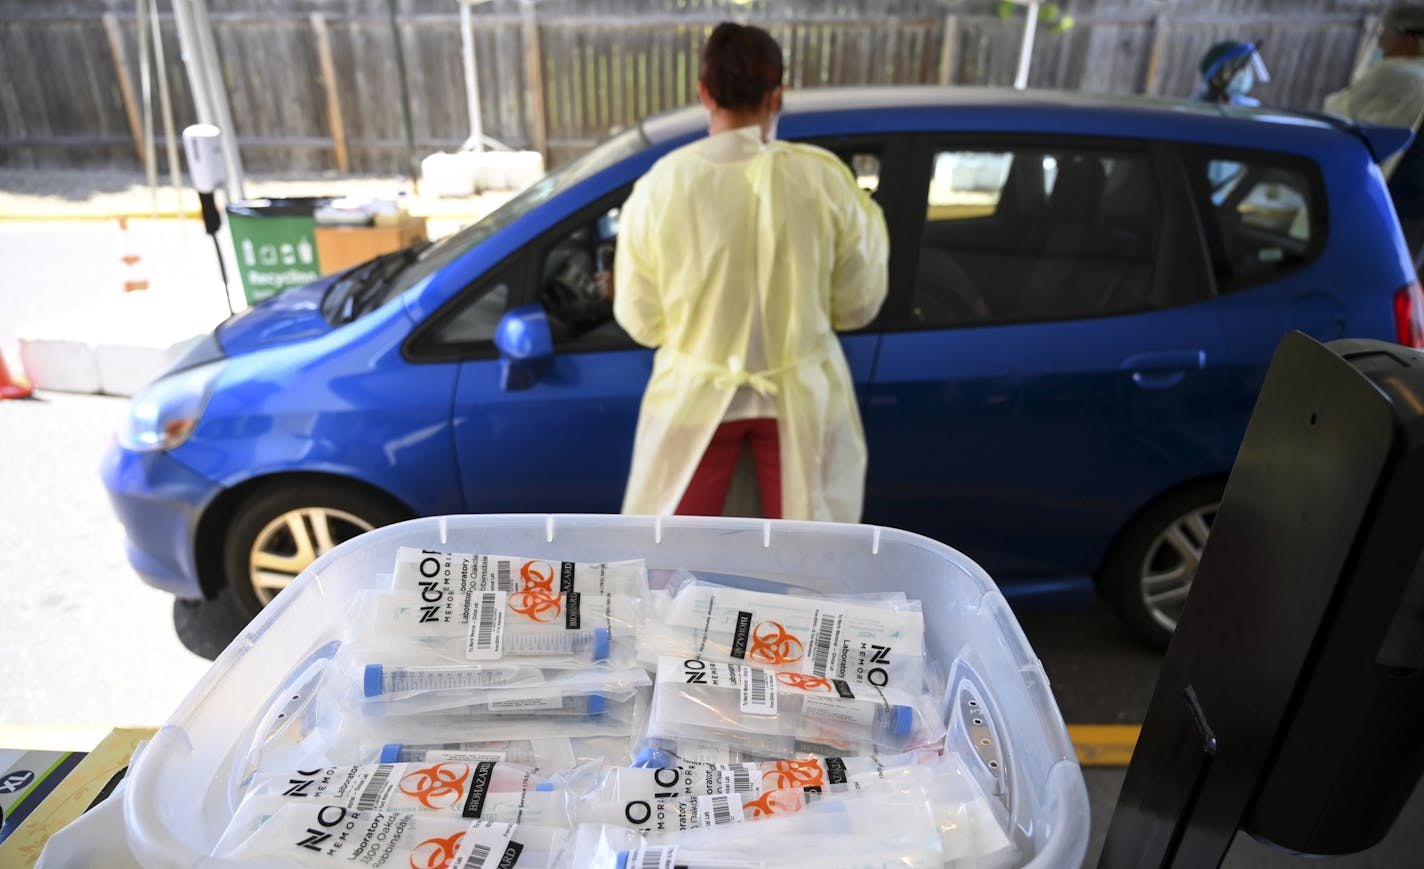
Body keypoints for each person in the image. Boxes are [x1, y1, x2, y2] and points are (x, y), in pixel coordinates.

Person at [612, 22, 889, 522]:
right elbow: (858, 304)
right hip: (798, 402)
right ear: (777, 96)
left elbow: (640, 319)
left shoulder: (662, 185)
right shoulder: (824, 178)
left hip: (694, 399)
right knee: (806, 569)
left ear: (703, 92)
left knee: (673, 564)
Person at [1324, 5, 1424, 268]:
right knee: (1401, 272)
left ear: (1411, 40)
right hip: (1416, 207)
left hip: (1393, 199)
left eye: (1387, 34)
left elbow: (1338, 114)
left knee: (1363, 270)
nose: (1380, 41)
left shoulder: (1398, 74)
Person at [1194, 40, 1269, 106]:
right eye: (1239, 65)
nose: (1246, 71)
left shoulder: (1253, 107)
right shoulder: (1196, 109)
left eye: (1248, 65)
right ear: (1215, 78)